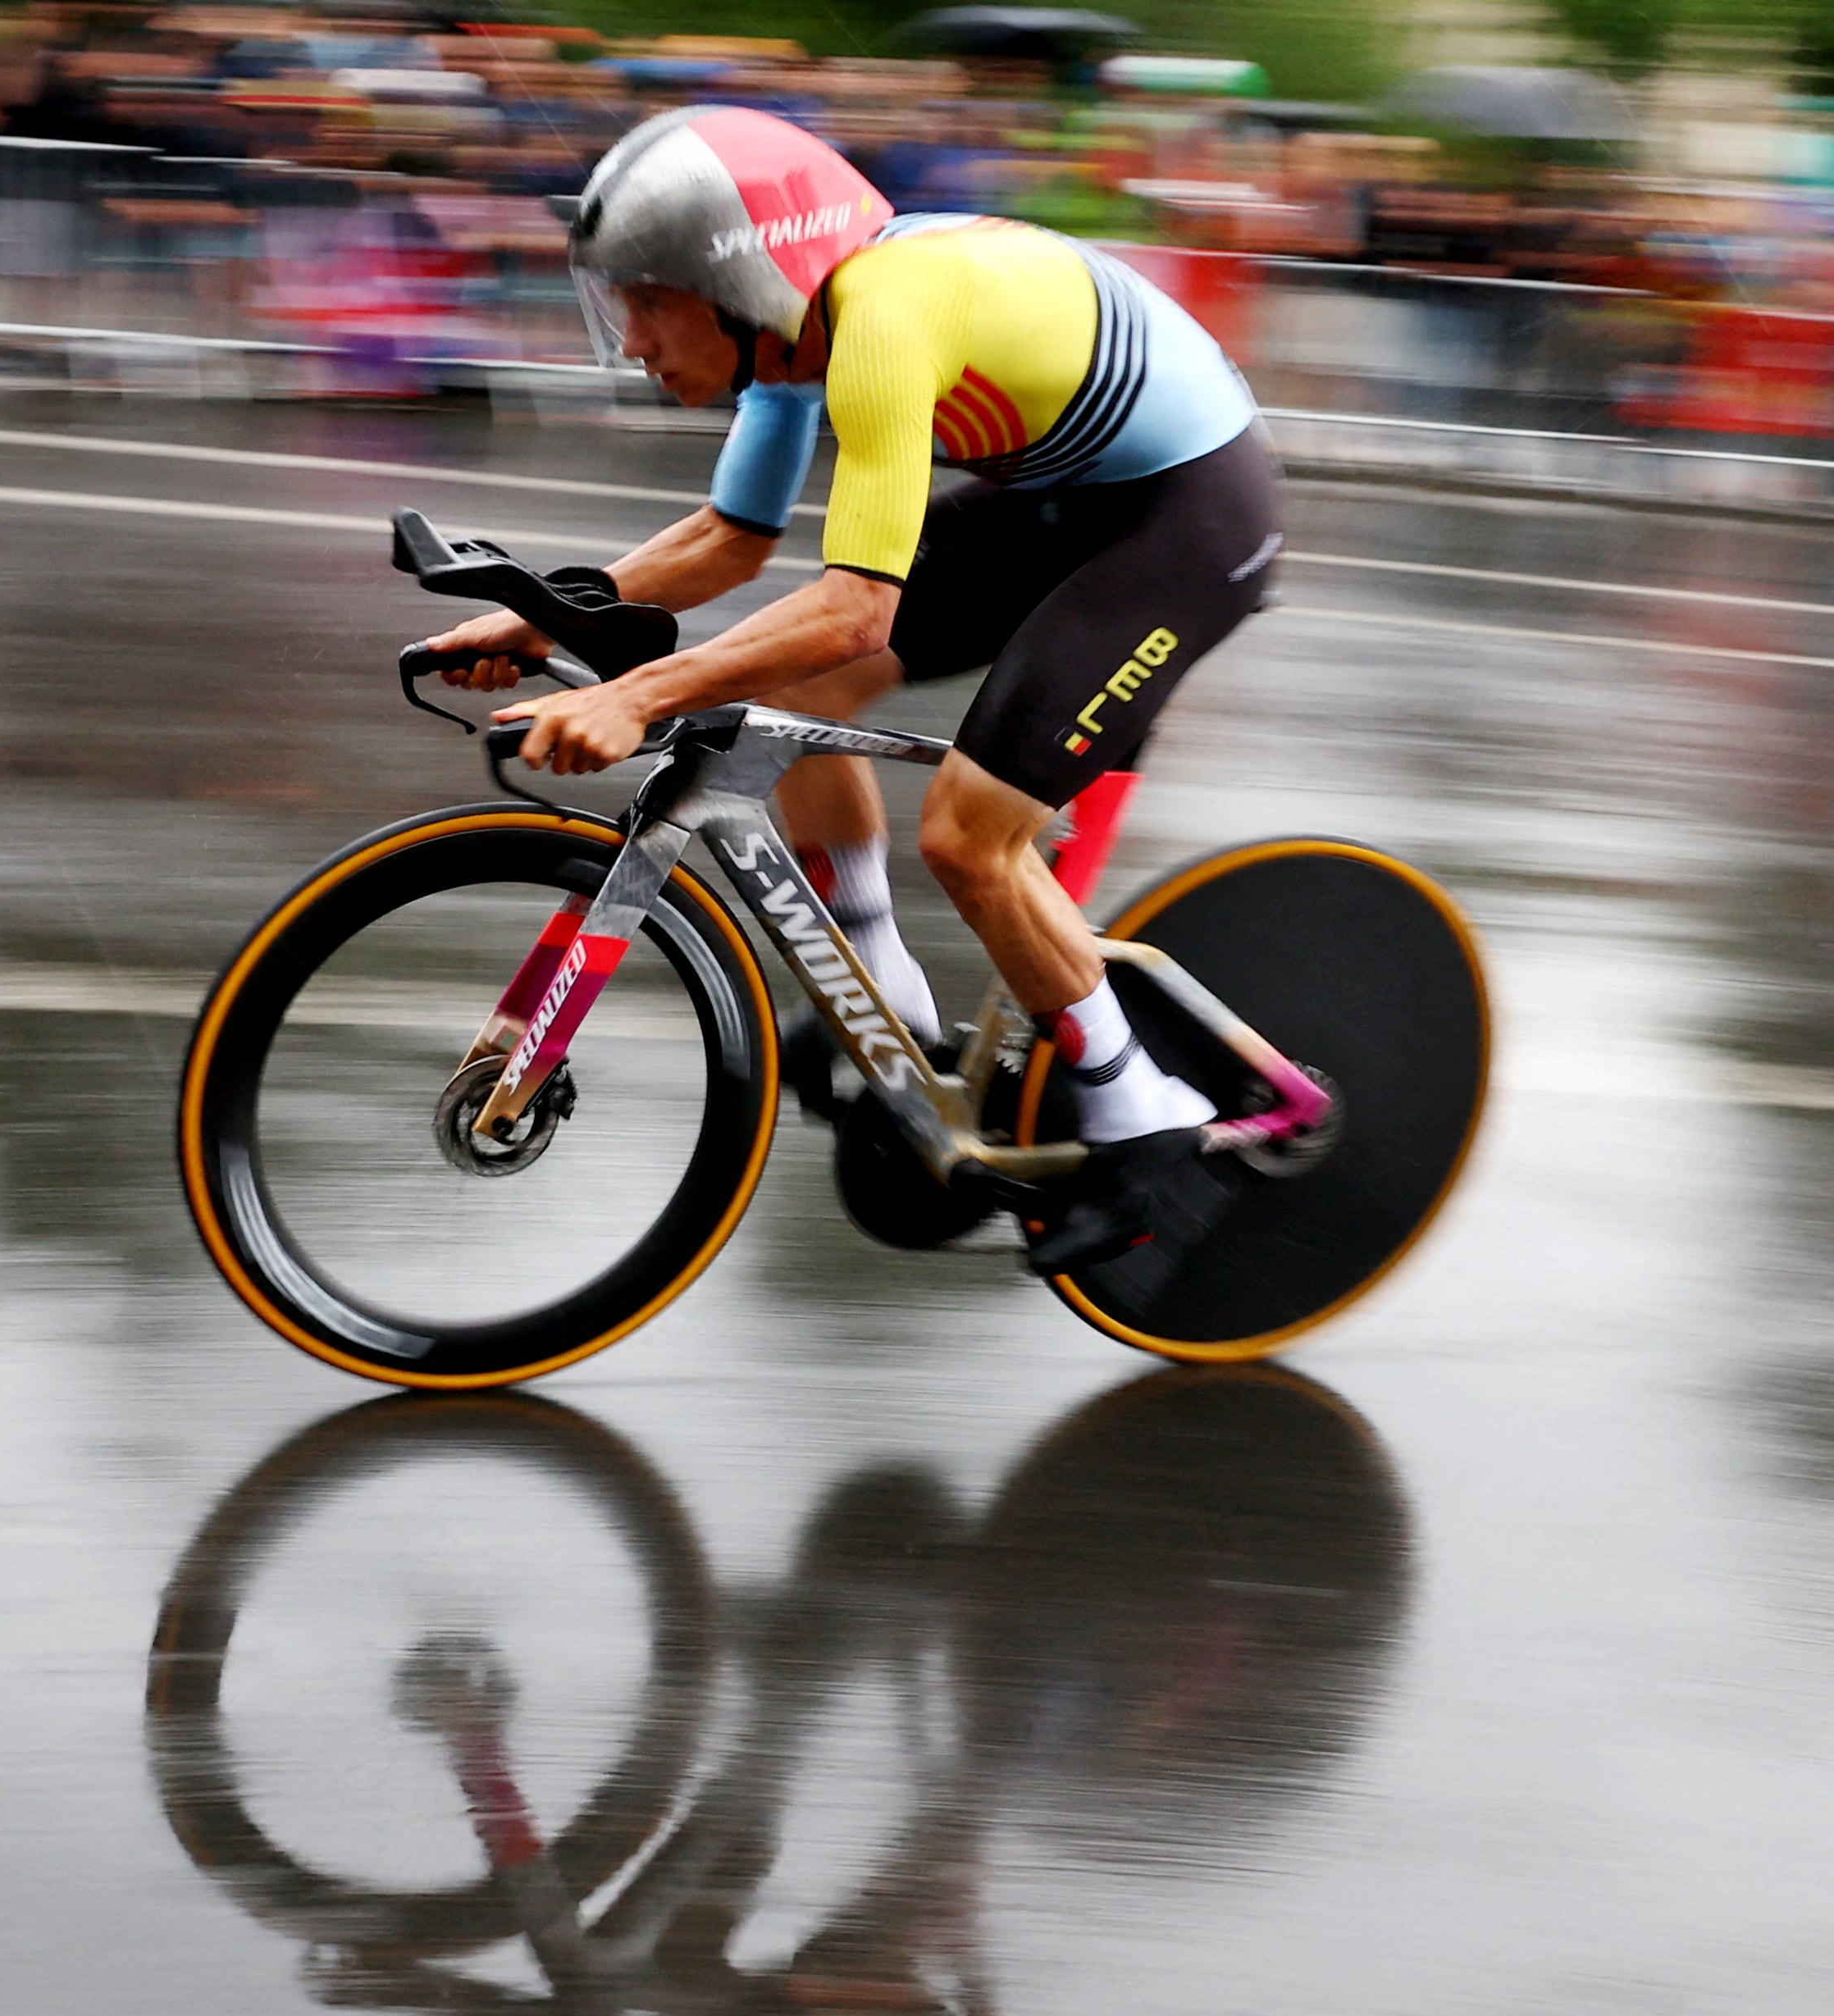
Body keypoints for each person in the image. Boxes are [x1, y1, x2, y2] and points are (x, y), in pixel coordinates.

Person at [421, 105, 1289, 1274]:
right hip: (1061, 499)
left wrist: (639, 697)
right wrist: (534, 621)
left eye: (649, 301)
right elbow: (730, 541)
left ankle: (1148, 1115)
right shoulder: (792, 335)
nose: (633, 340)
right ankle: (892, 1004)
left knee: (973, 840)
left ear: (733, 282)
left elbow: (856, 603)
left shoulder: (879, 316)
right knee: (809, 684)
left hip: (1185, 517)